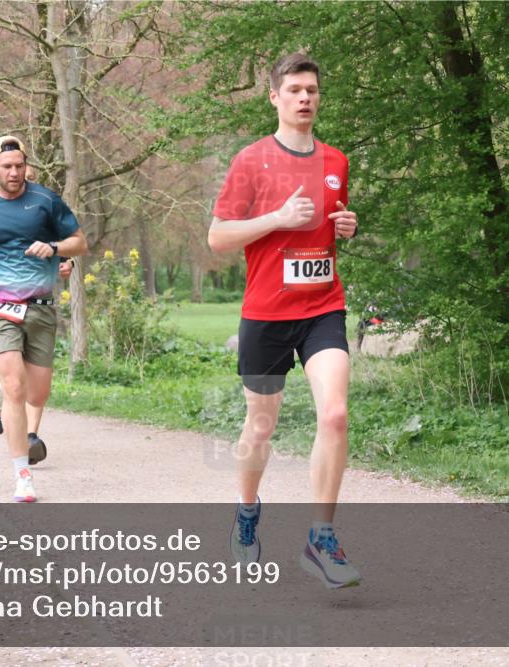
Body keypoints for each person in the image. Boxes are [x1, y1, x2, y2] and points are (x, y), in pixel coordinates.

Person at [208, 54, 361, 588]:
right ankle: (247, 513)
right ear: (274, 97)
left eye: (312, 90)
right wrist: (276, 218)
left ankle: (321, 539)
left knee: (336, 415)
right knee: (261, 425)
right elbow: (218, 236)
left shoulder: (336, 160)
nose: (304, 98)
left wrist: (346, 226)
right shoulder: (251, 161)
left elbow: (327, 226)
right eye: (294, 89)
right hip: (267, 312)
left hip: (322, 307)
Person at [0, 135, 87, 502]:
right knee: (15, 388)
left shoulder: (45, 201)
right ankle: (22, 475)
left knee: (36, 393)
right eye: (6, 167)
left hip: (40, 307)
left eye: (19, 165)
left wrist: (55, 248)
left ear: (27, 166)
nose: (14, 172)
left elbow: (80, 242)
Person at [0, 163, 75, 465]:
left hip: (39, 305)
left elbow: (64, 249)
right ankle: (3, 390)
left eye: (28, 179)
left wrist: (66, 264)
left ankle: (30, 435)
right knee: (15, 380)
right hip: (2, 303)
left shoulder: (45, 212)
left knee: (36, 380)